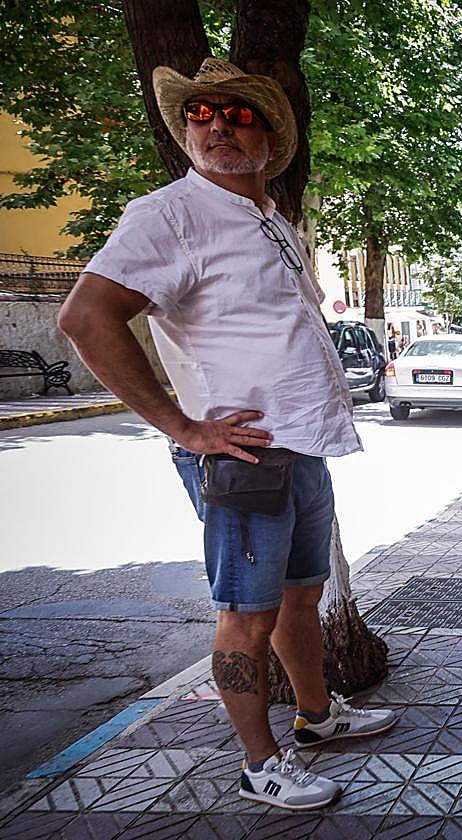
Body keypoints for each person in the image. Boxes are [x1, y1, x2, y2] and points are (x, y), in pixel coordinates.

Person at [57, 58, 395, 811]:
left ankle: (315, 717)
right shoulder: (170, 215)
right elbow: (85, 318)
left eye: (238, 115)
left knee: (302, 597)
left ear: (270, 137)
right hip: (241, 457)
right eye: (201, 114)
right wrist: (182, 426)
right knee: (247, 614)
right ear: (184, 131)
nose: (216, 125)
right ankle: (258, 763)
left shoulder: (269, 217)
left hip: (296, 443)